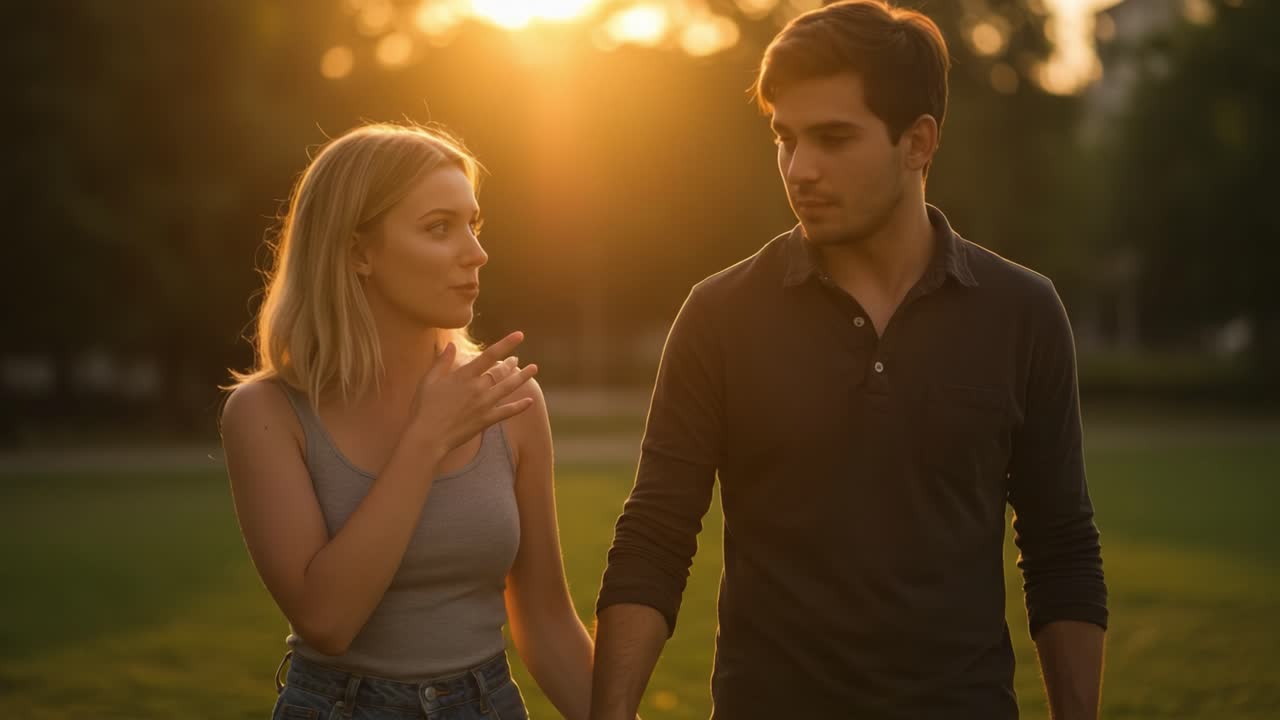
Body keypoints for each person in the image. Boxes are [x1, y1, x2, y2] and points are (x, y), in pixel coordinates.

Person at [590, 2, 1108, 718]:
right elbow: (655, 534)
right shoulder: (718, 315)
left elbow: (1061, 548)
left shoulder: (1023, 312)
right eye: (785, 138)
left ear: (918, 143)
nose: (800, 169)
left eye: (833, 138)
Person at [220, 122, 594, 720]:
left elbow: (547, 622)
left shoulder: (510, 401)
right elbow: (327, 621)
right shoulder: (267, 414)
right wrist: (427, 437)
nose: (477, 252)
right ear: (356, 251)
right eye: (438, 228)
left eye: (473, 224)